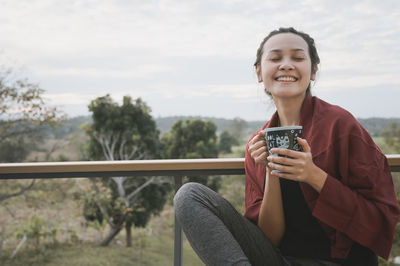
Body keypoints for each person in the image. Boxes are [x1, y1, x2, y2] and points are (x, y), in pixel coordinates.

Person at [173, 27, 400, 266]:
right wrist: (271, 169)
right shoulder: (257, 144)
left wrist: (314, 176)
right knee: (189, 195)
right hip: (281, 260)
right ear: (260, 72)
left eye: (298, 57)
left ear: (313, 71)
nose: (286, 65)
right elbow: (270, 237)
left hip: (340, 262)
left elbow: (379, 223)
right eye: (275, 58)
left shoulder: (341, 126)